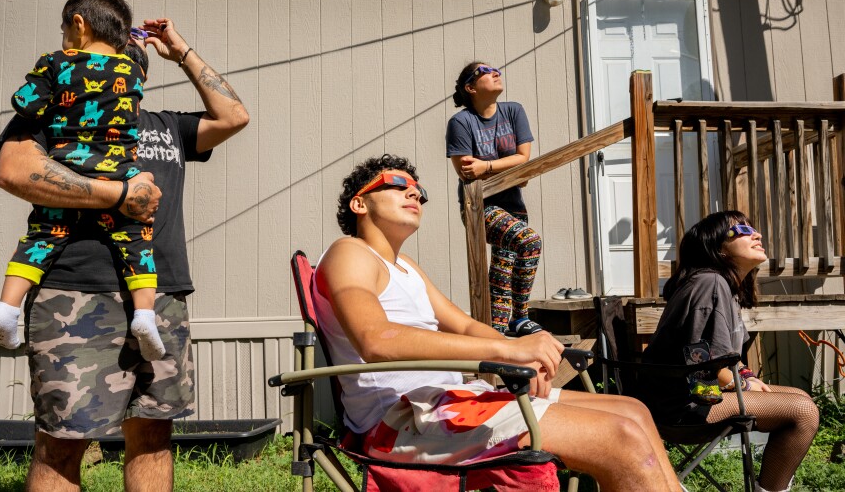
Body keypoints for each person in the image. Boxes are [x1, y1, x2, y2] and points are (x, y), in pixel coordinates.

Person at [313, 154, 684, 491]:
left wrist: (519, 356)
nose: (414, 193)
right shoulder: (350, 252)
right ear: (359, 203)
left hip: (451, 403)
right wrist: (507, 348)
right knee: (618, 436)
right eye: (397, 185)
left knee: (633, 411)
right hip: (402, 421)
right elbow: (376, 340)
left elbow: (467, 326)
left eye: (419, 190)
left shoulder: (406, 266)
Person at [0, 17, 249, 492]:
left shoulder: (167, 126)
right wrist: (116, 194)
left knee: (153, 434)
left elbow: (234, 116)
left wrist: (183, 52)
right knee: (63, 440)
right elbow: (12, 171)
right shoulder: (60, 112)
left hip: (161, 296)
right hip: (74, 294)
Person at [0, 0, 164, 361]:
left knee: (41, 237)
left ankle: (6, 309)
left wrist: (41, 90)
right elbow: (136, 67)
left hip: (67, 171)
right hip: (120, 177)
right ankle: (145, 315)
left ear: (79, 24)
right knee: (137, 238)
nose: (64, 39)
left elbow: (26, 103)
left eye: (65, 30)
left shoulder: (57, 62)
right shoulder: (131, 70)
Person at [642, 211, 819, 492]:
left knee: (801, 397)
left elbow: (726, 357)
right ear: (719, 248)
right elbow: (700, 359)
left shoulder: (720, 285)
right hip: (682, 405)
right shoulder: (710, 283)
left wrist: (748, 377)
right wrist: (745, 384)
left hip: (693, 394)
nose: (756, 234)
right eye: (742, 229)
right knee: (803, 412)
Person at [445, 62, 546, 337]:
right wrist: (509, 168)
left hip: (514, 206)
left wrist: (487, 166)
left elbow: (523, 160)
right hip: (481, 208)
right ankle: (521, 317)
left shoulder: (513, 111)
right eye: (485, 71)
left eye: (496, 68)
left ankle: (498, 333)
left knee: (503, 273)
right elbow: (466, 171)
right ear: (471, 87)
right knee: (530, 241)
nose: (495, 71)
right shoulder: (461, 122)